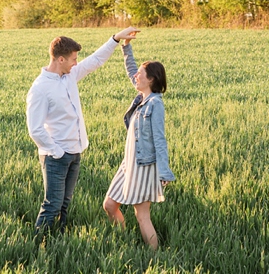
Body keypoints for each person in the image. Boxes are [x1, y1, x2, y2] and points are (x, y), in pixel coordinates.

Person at [27, 27, 139, 236]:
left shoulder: (69, 76)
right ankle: (39, 246)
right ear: (60, 59)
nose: (76, 63)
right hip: (56, 157)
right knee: (52, 205)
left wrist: (115, 39)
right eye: (73, 59)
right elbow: (35, 129)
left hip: (75, 151)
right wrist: (56, 151)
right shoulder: (40, 88)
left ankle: (58, 239)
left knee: (65, 204)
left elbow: (95, 60)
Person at [102, 32, 175, 250]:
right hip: (128, 164)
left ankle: (155, 257)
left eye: (141, 75)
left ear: (151, 79)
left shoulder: (155, 104)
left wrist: (164, 172)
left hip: (143, 166)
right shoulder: (142, 98)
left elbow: (160, 140)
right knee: (109, 205)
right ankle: (124, 242)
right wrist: (126, 47)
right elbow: (131, 71)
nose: (136, 77)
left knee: (142, 215)